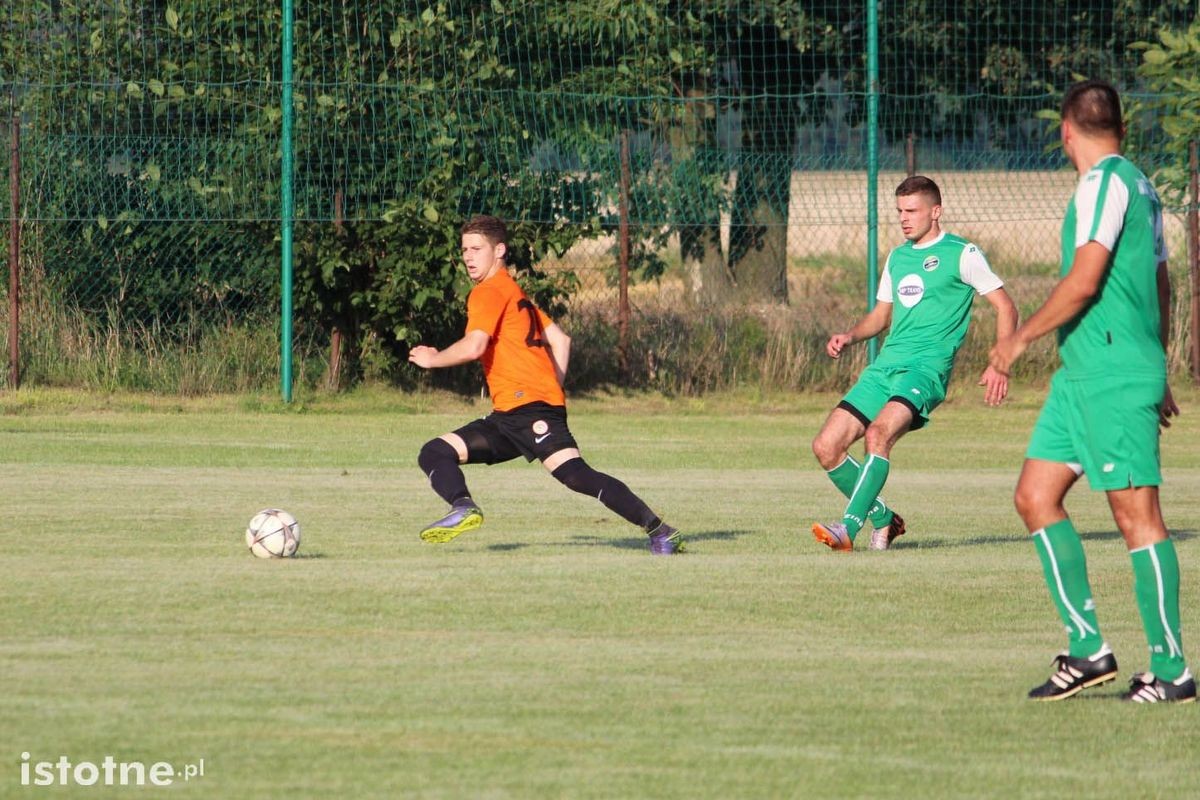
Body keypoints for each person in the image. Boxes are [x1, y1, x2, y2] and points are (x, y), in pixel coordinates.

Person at [989, 79, 1192, 703]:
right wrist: (1154, 361)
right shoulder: (1142, 185)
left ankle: (1172, 670)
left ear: (1065, 131)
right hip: (1083, 375)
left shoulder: (1105, 183)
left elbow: (1084, 280)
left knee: (1138, 520)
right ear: (1122, 129)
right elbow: (1161, 280)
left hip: (1109, 373)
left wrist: (1016, 340)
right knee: (1034, 495)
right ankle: (1087, 650)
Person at [408, 215, 684, 555]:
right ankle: (463, 507)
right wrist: (551, 391)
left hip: (527, 409)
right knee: (436, 451)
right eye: (464, 249)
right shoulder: (516, 294)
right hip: (511, 414)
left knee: (576, 475)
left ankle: (660, 530)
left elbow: (475, 345)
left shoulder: (489, 292)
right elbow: (562, 341)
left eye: (477, 249)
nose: (468, 256)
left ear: (500, 250)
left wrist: (433, 359)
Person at [811, 175, 1018, 551]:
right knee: (826, 446)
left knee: (878, 435)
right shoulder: (898, 256)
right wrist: (851, 335)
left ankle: (846, 530)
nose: (904, 219)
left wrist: (1000, 362)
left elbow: (1006, 307)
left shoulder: (962, 253)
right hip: (884, 367)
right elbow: (881, 317)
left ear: (935, 211)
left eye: (912, 211)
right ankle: (885, 520)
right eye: (899, 212)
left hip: (925, 371)